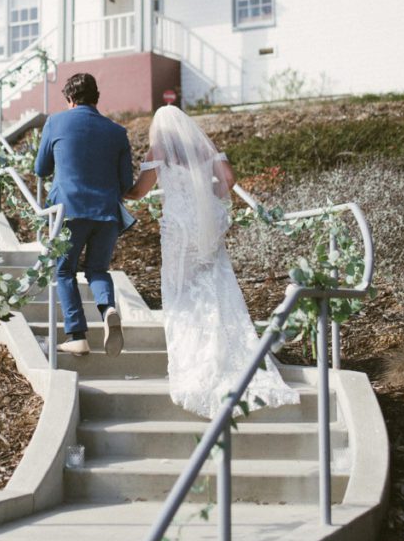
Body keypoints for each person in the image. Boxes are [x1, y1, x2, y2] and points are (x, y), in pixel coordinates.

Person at [125, 104, 299, 419]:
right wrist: (209, 195)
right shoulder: (204, 147)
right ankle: (228, 354)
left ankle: (195, 363)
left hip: (179, 227)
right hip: (206, 224)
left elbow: (140, 191)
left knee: (181, 293)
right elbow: (228, 179)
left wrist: (117, 190)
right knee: (216, 285)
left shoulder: (159, 149)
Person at [35, 72, 133, 357]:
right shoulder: (117, 132)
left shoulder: (56, 122)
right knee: (97, 270)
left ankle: (77, 335)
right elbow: (126, 182)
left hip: (69, 210)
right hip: (107, 213)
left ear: (69, 98)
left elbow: (41, 169)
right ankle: (108, 309)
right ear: (96, 98)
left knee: (64, 270)